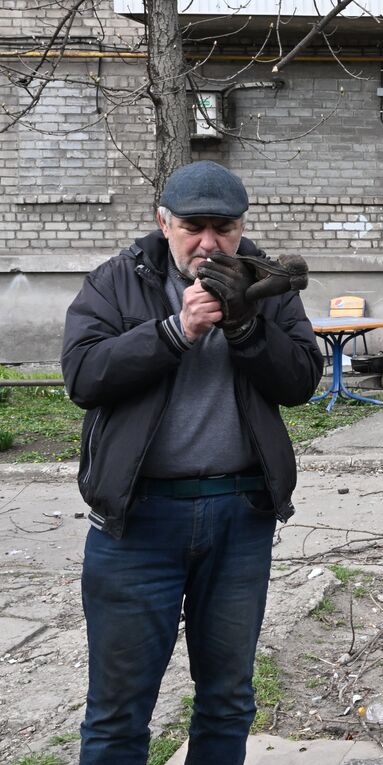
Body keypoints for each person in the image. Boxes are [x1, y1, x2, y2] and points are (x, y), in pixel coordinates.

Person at [61, 160, 321, 765]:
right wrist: (176, 331)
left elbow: (301, 380)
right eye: (192, 227)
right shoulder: (116, 281)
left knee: (227, 700)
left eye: (223, 228)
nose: (208, 243)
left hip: (239, 518)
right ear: (164, 222)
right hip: (136, 524)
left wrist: (247, 326)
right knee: (118, 710)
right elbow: (83, 375)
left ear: (241, 226)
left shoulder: (267, 283)